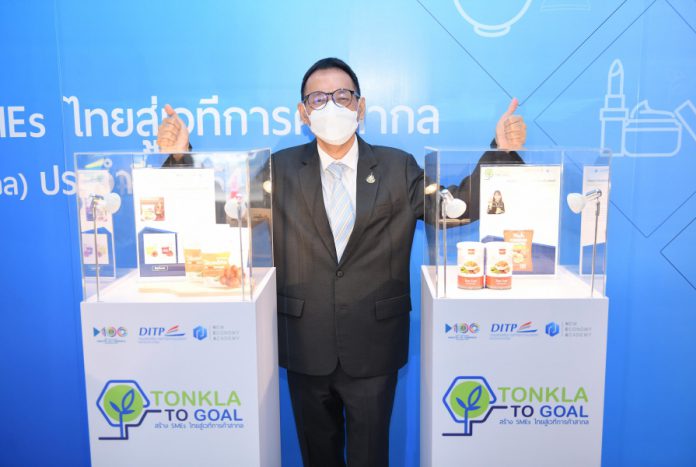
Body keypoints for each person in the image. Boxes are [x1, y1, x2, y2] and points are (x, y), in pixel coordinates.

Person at [156, 57, 526, 467]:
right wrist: (181, 157)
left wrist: (501, 152)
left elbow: (453, 209)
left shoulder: (397, 166)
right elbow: (227, 212)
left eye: (342, 96)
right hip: (304, 343)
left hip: (374, 344)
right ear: (303, 113)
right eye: (318, 98)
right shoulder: (280, 168)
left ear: (360, 106)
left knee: (370, 458)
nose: (331, 106)